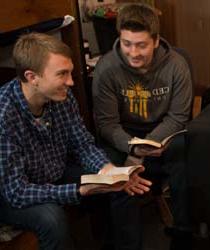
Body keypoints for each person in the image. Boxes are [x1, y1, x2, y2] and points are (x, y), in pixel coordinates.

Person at [0, 32, 152, 250]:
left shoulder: (61, 96)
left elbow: (82, 144)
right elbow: (15, 192)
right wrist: (78, 190)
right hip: (12, 194)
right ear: (32, 77)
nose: (71, 82)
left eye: (70, 73)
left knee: (120, 184)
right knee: (52, 219)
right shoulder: (4, 116)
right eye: (62, 74)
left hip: (53, 173)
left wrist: (107, 171)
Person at [92, 3, 193, 250]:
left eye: (141, 45)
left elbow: (178, 116)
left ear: (156, 41)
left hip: (164, 132)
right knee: (117, 175)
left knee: (185, 160)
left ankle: (183, 234)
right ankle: (127, 244)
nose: (133, 52)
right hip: (123, 136)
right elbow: (106, 123)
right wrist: (134, 150)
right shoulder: (106, 68)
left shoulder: (176, 65)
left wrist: (149, 145)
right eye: (127, 43)